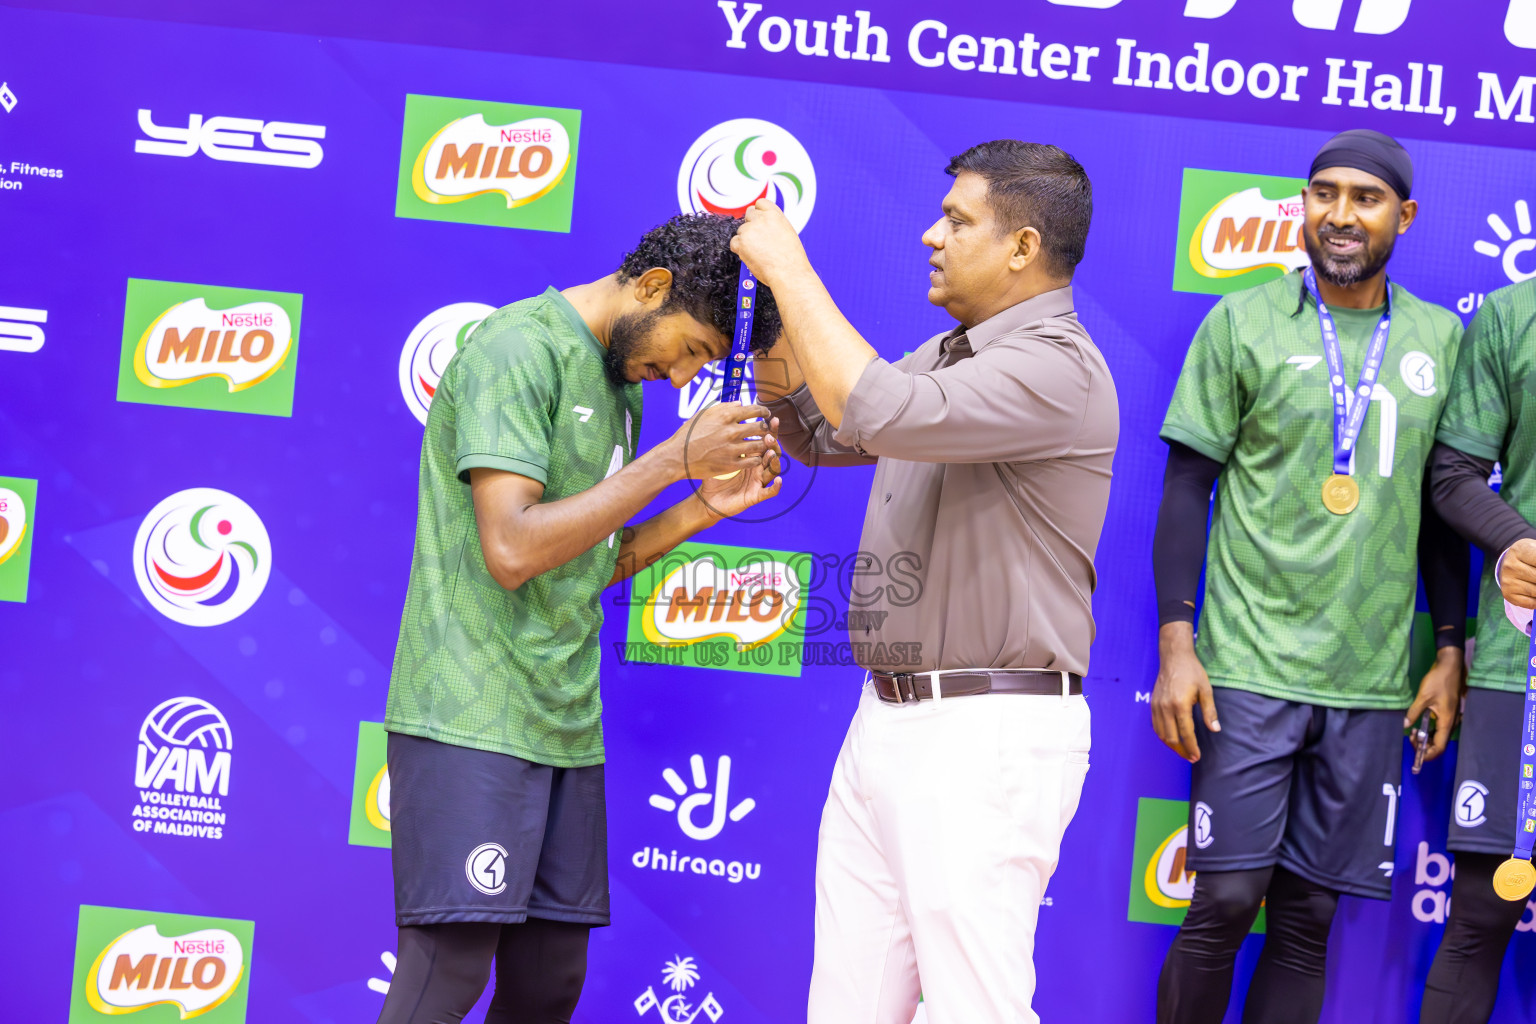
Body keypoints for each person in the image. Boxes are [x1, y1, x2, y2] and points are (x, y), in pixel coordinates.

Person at [732, 139, 1117, 1024]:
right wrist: (760, 312)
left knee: (974, 1010)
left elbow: (873, 409)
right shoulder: (953, 351)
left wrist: (791, 269)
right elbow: (820, 431)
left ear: (1022, 247)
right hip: (890, 720)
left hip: (986, 733)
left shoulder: (1059, 364)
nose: (929, 236)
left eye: (956, 219)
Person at [377, 213, 783, 1024]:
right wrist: (674, 461)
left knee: (548, 983)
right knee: (447, 973)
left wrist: (705, 503)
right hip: (471, 716)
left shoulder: (622, 384)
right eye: (693, 350)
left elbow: (596, 558)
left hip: (563, 722)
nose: (681, 378)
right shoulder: (516, 349)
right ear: (654, 287)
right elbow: (514, 548)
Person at [1150, 129, 1468, 1024]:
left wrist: (1447, 649)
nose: (1339, 214)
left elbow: (1442, 514)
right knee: (1221, 902)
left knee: (1308, 918)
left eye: (1364, 198)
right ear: (1302, 204)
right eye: (1322, 193)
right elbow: (1186, 491)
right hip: (1247, 668)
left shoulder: (1440, 340)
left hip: (1369, 682)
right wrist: (1179, 642)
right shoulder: (1242, 322)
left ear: (1402, 217)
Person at [1421, 276, 1536, 1024]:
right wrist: (1515, 541)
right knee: (1482, 910)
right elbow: (1454, 475)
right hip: (1519, 661)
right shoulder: (1515, 313)